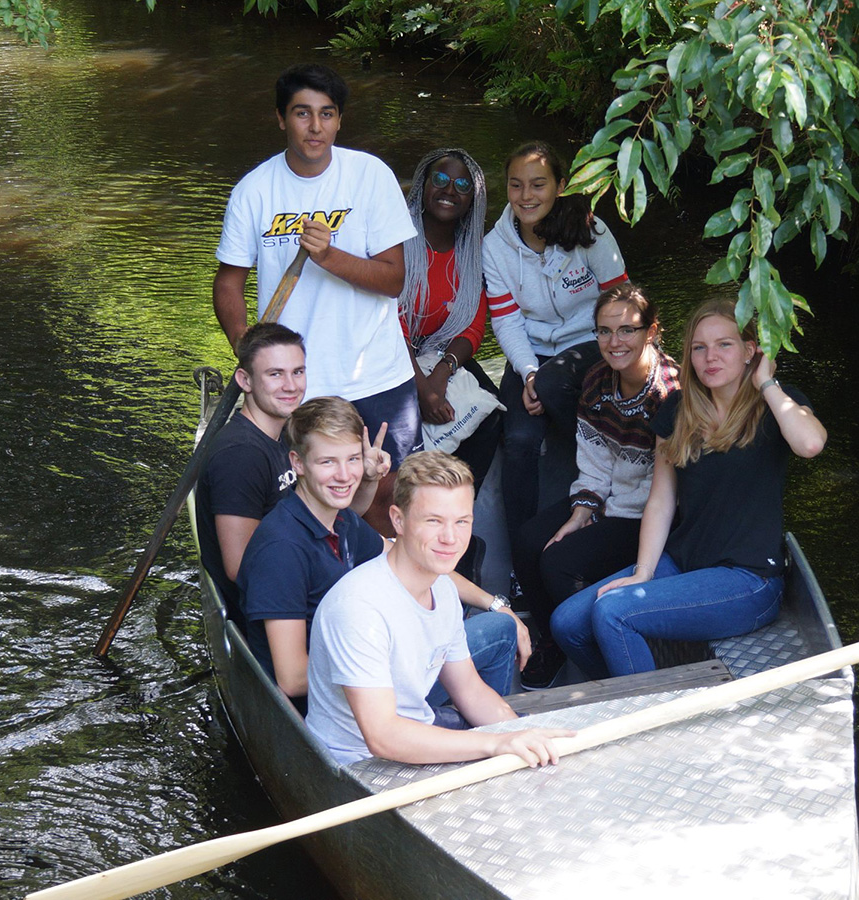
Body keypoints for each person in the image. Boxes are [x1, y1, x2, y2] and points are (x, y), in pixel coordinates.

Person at [550, 295, 828, 679]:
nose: (710, 357)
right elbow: (661, 500)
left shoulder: (777, 405)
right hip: (683, 563)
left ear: (750, 350)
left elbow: (810, 444)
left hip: (749, 580)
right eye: (699, 348)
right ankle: (628, 689)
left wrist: (767, 382)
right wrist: (643, 572)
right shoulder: (679, 409)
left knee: (614, 613)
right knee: (566, 623)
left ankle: (649, 718)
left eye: (724, 345)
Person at [213, 63, 421, 535]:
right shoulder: (253, 191)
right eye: (302, 113)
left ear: (339, 120)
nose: (315, 126)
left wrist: (329, 256)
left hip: (378, 375)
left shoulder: (370, 176)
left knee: (387, 502)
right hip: (301, 385)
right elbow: (228, 284)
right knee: (315, 509)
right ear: (281, 119)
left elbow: (393, 281)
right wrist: (249, 352)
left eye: (326, 114)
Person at [238, 399, 529, 715]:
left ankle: (476, 722)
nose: (345, 474)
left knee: (500, 624)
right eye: (327, 462)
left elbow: (419, 560)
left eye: (352, 459)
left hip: (373, 673)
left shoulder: (340, 519)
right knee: (498, 635)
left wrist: (497, 604)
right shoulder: (282, 548)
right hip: (339, 704)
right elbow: (292, 679)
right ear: (298, 463)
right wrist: (394, 659)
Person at [306, 451, 573, 766]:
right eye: (433, 521)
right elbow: (382, 736)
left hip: (416, 733)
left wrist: (516, 734)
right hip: (358, 766)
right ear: (398, 520)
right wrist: (494, 744)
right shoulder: (359, 608)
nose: (450, 538)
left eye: (462, 521)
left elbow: (470, 691)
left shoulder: (443, 588)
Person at [511, 284, 679, 688]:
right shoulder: (597, 382)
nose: (613, 342)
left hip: (647, 512)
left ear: (651, 331)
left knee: (560, 562)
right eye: (604, 331)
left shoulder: (669, 392)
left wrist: (600, 520)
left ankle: (597, 655)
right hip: (606, 502)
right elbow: (594, 463)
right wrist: (582, 513)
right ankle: (553, 644)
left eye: (627, 330)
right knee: (530, 539)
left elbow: (666, 486)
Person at [482, 141, 629, 539]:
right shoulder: (495, 247)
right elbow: (507, 321)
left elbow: (620, 299)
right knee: (517, 439)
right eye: (516, 186)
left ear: (560, 185)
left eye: (538, 184)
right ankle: (521, 547)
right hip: (533, 353)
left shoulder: (589, 229)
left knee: (552, 384)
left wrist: (622, 355)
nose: (526, 196)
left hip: (593, 346)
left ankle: (611, 461)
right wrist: (529, 373)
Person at [399, 148, 501, 491]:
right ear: (423, 186)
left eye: (462, 185)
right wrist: (421, 385)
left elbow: (472, 326)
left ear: (473, 200)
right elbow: (388, 320)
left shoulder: (472, 252)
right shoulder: (396, 242)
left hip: (441, 354)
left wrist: (441, 374)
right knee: (403, 428)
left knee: (494, 418)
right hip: (391, 354)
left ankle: (457, 510)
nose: (449, 190)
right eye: (440, 180)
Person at [195, 323, 307, 635]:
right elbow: (240, 566)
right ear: (245, 380)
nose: (291, 385)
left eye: (298, 372)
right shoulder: (240, 455)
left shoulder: (287, 431)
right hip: (268, 613)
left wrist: (365, 479)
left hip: (293, 577)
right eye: (275, 374)